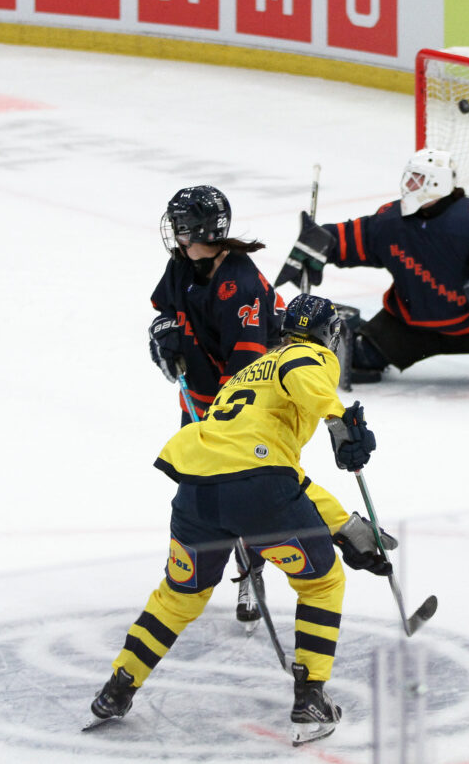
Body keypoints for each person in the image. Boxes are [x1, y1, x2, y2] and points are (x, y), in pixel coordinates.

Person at [90, 294, 390, 747]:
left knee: (178, 597)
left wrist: (343, 526)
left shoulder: (249, 373)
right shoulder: (309, 355)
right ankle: (310, 699)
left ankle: (118, 688)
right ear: (330, 334)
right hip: (258, 488)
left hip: (197, 490)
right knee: (321, 582)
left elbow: (281, 472)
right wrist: (339, 419)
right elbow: (300, 380)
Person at [274, 148, 469, 395]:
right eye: (409, 177)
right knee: (359, 358)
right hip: (410, 325)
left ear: (438, 184)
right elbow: (357, 238)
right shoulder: (392, 221)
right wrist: (321, 242)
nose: (407, 185)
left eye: (416, 179)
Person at [147, 185, 286, 626]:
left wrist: (219, 428)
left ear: (200, 230)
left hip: (252, 406)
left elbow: (246, 375)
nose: (175, 235)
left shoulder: (240, 286)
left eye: (181, 226)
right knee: (198, 488)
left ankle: (252, 569)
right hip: (203, 396)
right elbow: (164, 309)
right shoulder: (184, 265)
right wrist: (164, 331)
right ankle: (190, 573)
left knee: (246, 493)